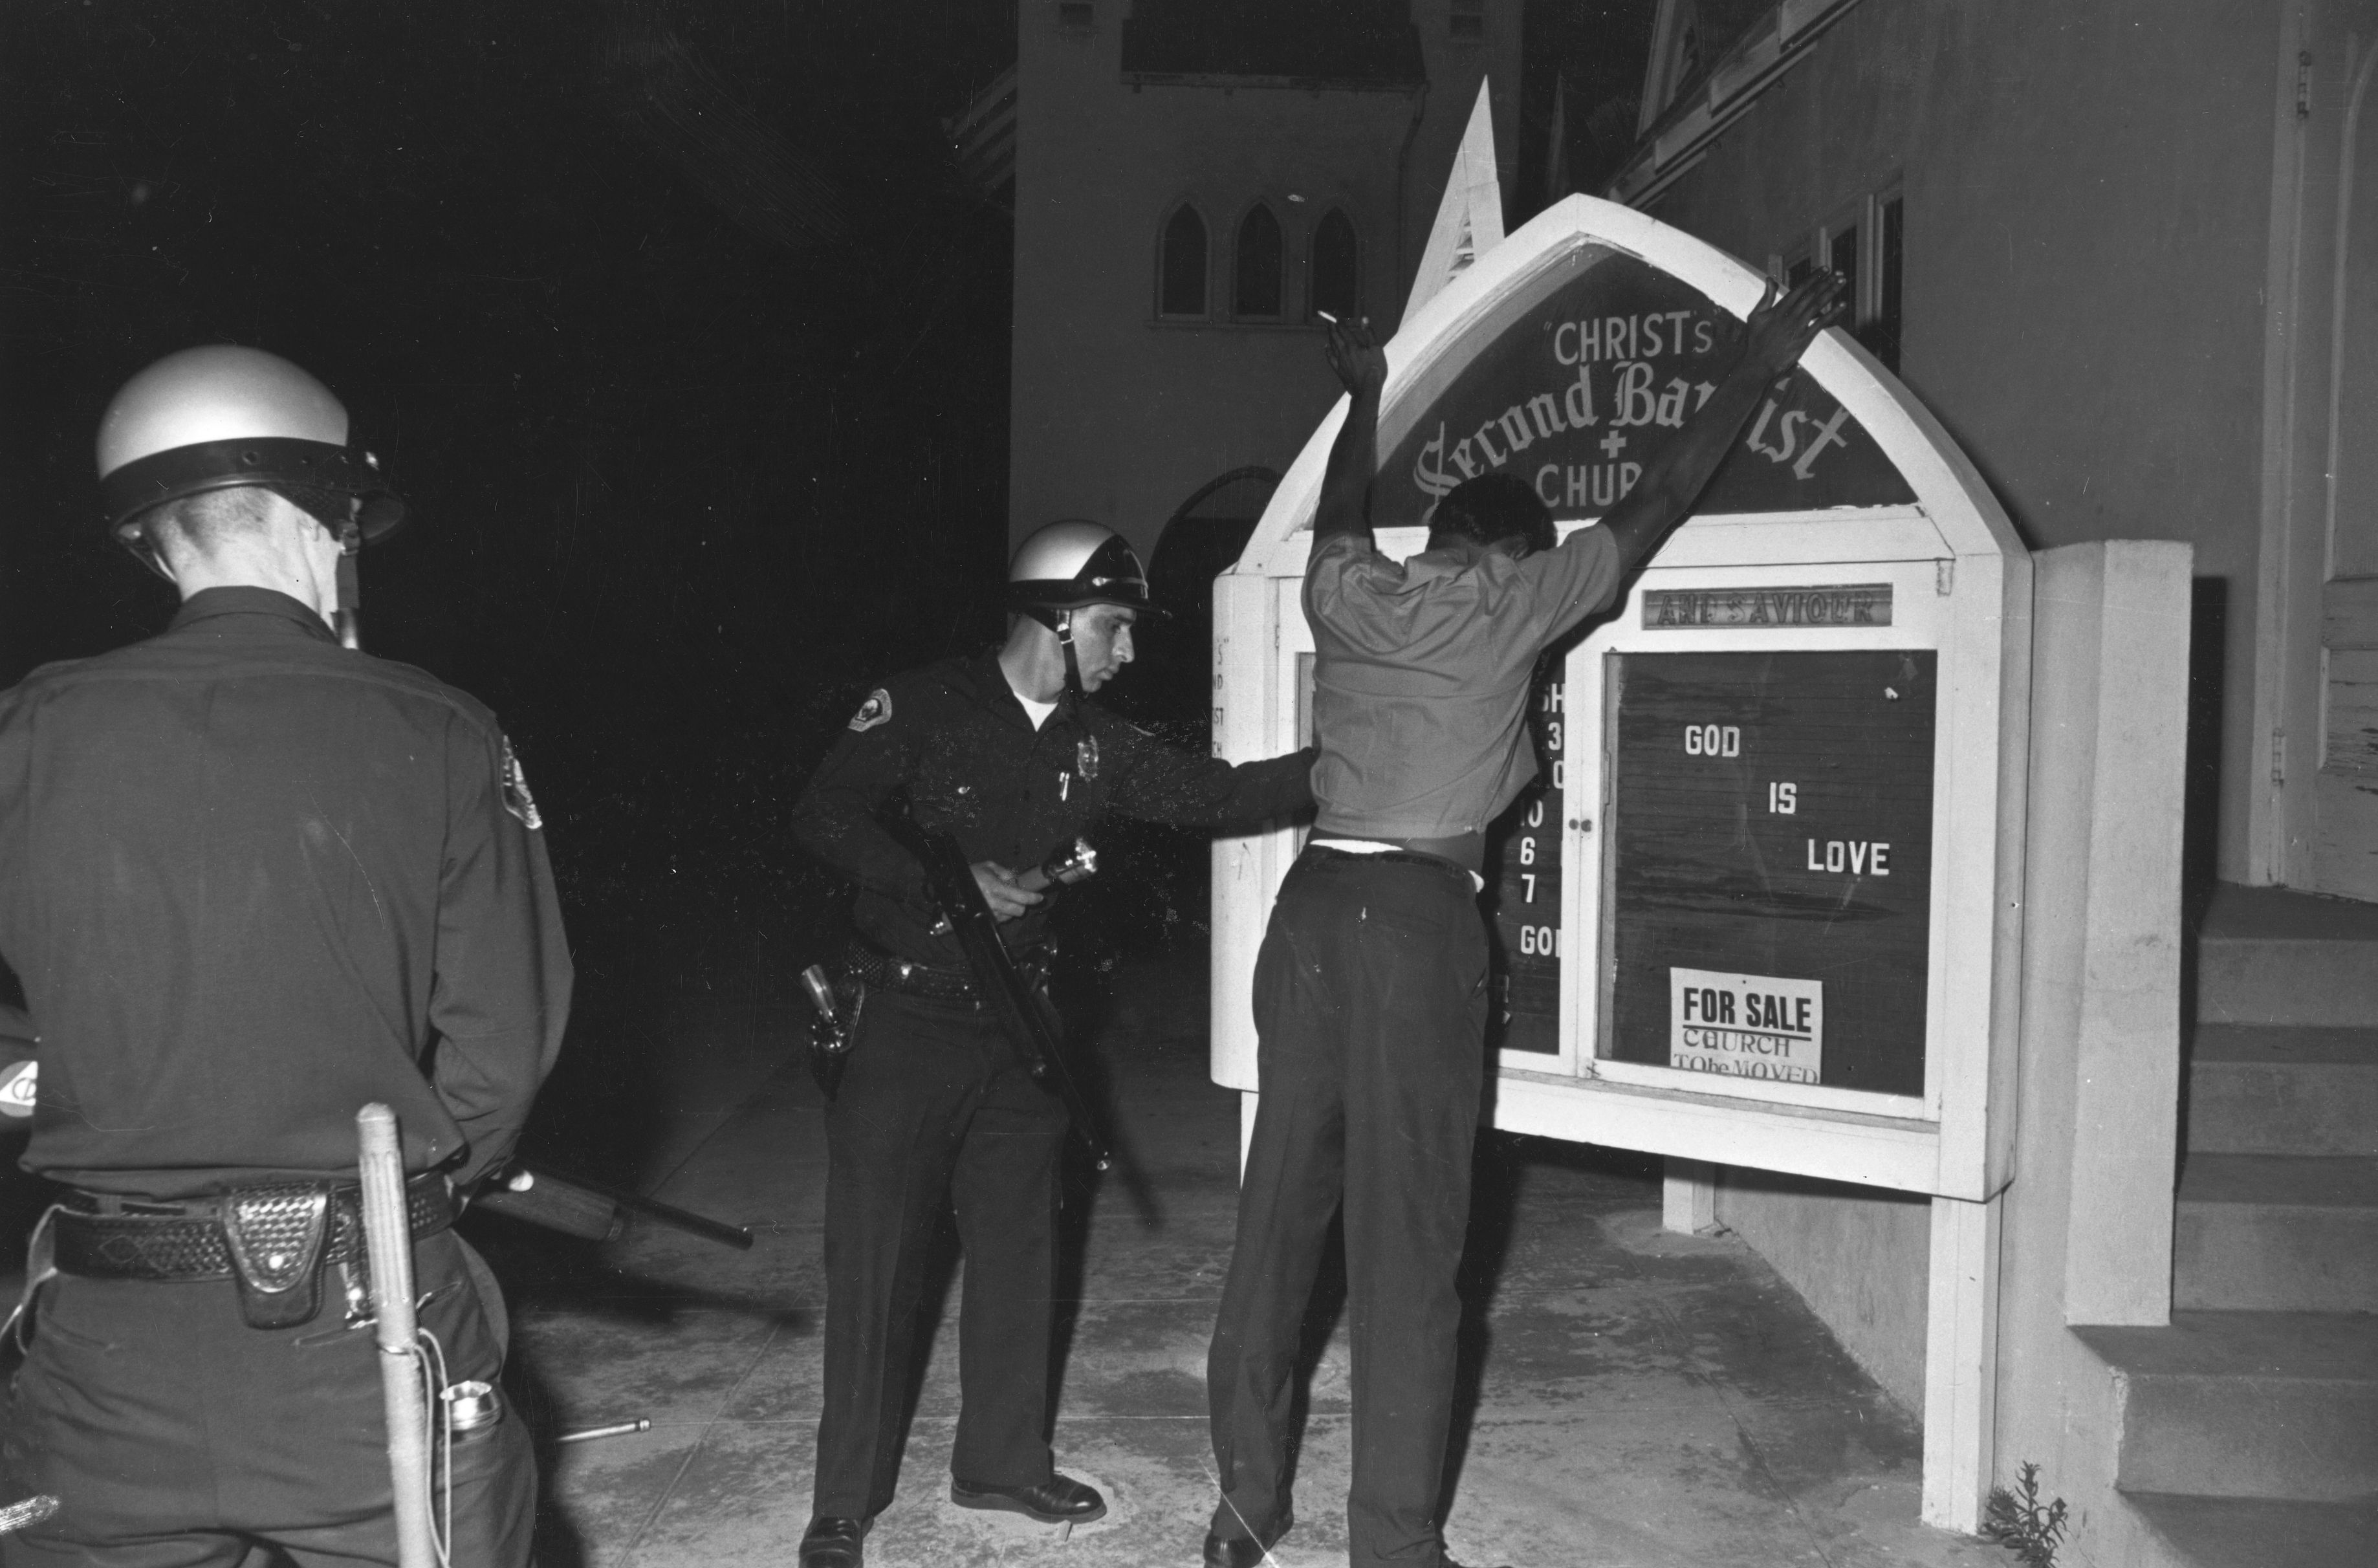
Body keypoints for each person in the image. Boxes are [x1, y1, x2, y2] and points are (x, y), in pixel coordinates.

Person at [1202, 272, 1844, 1568]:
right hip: (1413, 927)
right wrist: (1758, 363)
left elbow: (1336, 509)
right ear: (1505, 551)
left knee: (1279, 1217)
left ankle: (1239, 1509)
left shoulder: (1344, 590)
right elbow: (1658, 498)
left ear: (1432, 539)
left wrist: (1365, 392)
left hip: (1310, 913)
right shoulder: (1512, 601)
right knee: (1411, 1244)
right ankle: (1391, 1543)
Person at [0, 345, 572, 1567]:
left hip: (99, 1363)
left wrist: (61, 1080)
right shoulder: (439, 727)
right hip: (370, 1344)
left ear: (155, 543)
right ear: (331, 520)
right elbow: (501, 1054)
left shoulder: (27, 730)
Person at [788, 519, 1315, 1568]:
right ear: (1058, 619)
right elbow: (823, 815)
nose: (1128, 652)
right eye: (1116, 627)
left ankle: (1001, 1462)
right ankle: (842, 1502)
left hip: (1022, 1028)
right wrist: (942, 879)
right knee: (878, 1264)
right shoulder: (926, 703)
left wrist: (1355, 757)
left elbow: (1218, 794)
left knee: (1023, 1249)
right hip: (905, 1019)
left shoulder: (1095, 742)